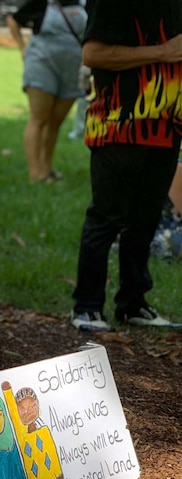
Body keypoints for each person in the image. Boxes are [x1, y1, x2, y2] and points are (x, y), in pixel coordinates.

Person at [70, 0, 182, 332]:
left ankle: (133, 303)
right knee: (106, 218)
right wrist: (162, 51)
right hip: (119, 123)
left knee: (145, 221)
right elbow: (93, 54)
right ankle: (87, 307)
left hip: (167, 126)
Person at [8, 0, 87, 183]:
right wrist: (22, 48)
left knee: (55, 121)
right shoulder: (42, 2)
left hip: (72, 69)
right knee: (39, 119)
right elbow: (13, 20)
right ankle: (36, 174)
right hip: (42, 64)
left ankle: (46, 168)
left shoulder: (85, 4)